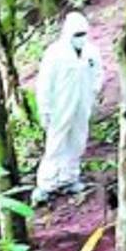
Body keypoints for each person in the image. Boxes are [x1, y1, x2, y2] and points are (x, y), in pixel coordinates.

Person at [32, 11, 103, 205]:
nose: (80, 38)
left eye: (83, 34)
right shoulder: (55, 54)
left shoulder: (91, 52)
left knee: (78, 140)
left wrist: (93, 93)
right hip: (60, 107)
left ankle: (69, 178)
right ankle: (47, 184)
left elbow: (97, 74)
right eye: (76, 35)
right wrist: (45, 109)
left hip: (82, 104)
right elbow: (45, 84)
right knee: (56, 143)